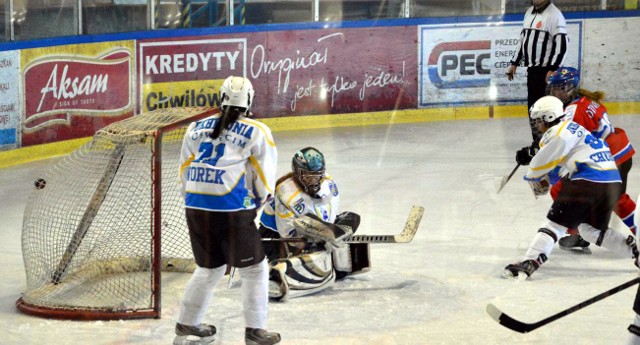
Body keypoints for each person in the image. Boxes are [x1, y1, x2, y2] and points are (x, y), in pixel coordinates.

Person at [175, 76, 281, 345]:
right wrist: (257, 202)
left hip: (195, 206)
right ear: (249, 101)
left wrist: (193, 199)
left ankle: (187, 324)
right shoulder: (257, 130)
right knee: (255, 270)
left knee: (209, 268)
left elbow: (184, 170)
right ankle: (255, 331)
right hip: (230, 209)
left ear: (220, 99)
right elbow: (264, 177)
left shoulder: (194, 127)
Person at [502, 95, 638, 280]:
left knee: (554, 224)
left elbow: (539, 166)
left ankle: (530, 262)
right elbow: (558, 166)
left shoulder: (557, 133)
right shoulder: (574, 128)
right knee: (590, 230)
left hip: (589, 179)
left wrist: (534, 178)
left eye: (538, 120)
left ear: (549, 117)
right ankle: (636, 253)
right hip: (611, 180)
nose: (536, 124)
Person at [517, 67, 637, 252]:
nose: (556, 92)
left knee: (562, 189)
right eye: (554, 88)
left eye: (561, 88)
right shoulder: (584, 99)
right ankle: (582, 232)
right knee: (614, 198)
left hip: (609, 158)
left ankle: (579, 234)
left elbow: (563, 142)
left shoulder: (573, 111)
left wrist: (534, 153)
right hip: (613, 153)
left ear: (572, 87)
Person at [258, 147, 370, 301]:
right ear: (298, 173)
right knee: (303, 223)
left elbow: (328, 216)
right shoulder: (286, 192)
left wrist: (329, 233)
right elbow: (288, 234)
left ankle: (330, 255)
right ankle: (286, 270)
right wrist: (317, 241)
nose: (313, 181)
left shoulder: (329, 184)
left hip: (312, 227)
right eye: (308, 177)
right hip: (274, 234)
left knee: (352, 217)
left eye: (317, 176)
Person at [509, 0, 568, 161]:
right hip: (533, 72)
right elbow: (523, 40)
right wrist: (514, 62)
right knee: (534, 110)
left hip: (546, 73)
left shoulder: (555, 16)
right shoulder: (529, 12)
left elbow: (562, 45)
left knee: (548, 110)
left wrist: (553, 68)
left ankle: (553, 144)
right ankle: (538, 143)